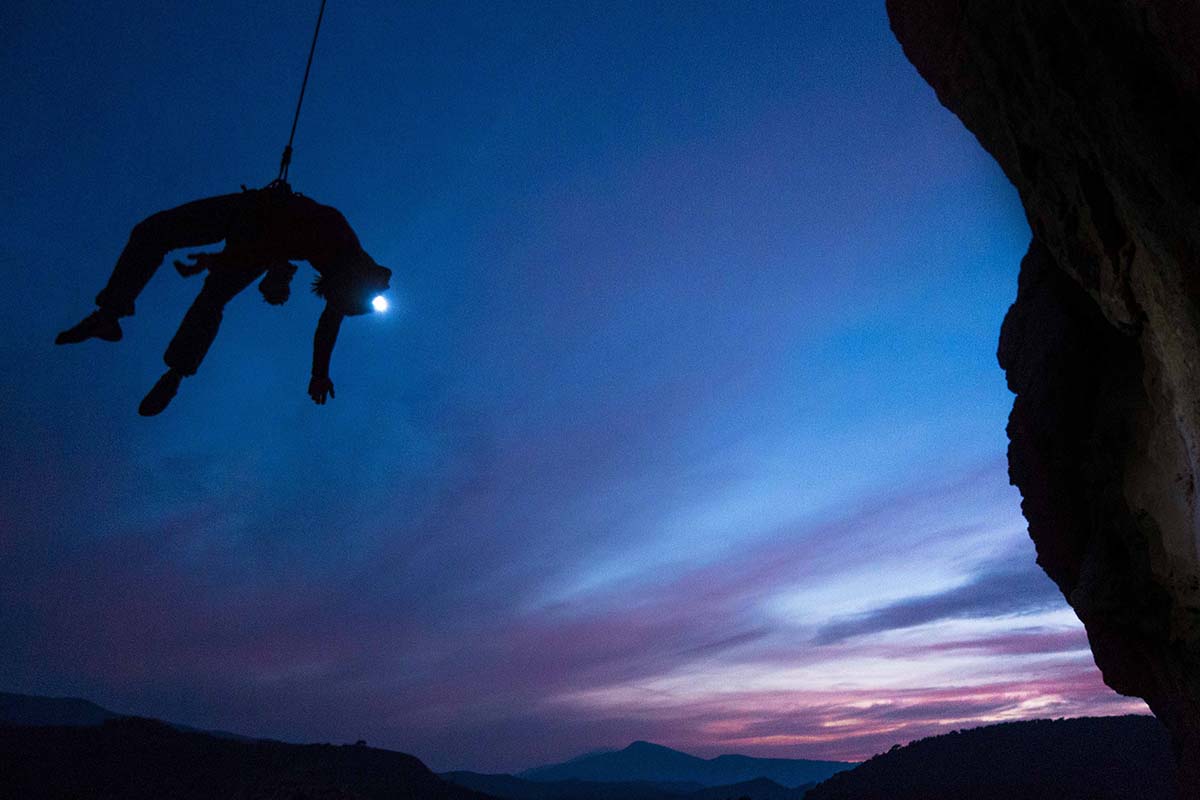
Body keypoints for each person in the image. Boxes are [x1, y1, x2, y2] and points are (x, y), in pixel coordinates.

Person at [55, 181, 392, 416]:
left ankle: (173, 374)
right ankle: (110, 314)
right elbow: (268, 241)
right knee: (154, 234)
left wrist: (319, 373)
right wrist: (237, 264)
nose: (329, 302)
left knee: (208, 295)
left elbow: (327, 326)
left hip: (256, 232)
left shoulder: (343, 277)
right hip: (250, 215)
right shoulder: (335, 236)